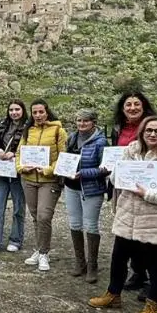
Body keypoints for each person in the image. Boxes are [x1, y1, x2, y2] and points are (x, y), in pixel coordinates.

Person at [89, 115, 157, 313]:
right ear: (142, 133)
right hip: (128, 217)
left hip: (156, 221)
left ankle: (153, 306)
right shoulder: (131, 152)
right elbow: (117, 179)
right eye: (148, 131)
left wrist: (150, 194)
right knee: (118, 258)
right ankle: (113, 295)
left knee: (156, 264)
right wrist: (119, 175)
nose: (152, 134)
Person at [111, 91, 157, 295]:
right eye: (128, 105)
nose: (132, 108)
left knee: (147, 236)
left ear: (144, 105)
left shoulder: (151, 127)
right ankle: (138, 273)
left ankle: (153, 284)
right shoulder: (119, 129)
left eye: (136, 104)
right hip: (125, 188)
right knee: (128, 234)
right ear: (122, 109)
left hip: (146, 187)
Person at [19, 100, 67, 272]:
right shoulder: (28, 130)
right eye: (35, 112)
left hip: (49, 181)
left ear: (47, 112)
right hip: (29, 180)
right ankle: (39, 250)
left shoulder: (58, 131)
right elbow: (19, 153)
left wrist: (49, 170)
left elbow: (63, 156)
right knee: (35, 217)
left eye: (41, 112)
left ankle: (44, 253)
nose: (38, 115)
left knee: (44, 217)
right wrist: (20, 167)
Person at [62, 108, 108, 282]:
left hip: (91, 189)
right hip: (71, 186)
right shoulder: (72, 138)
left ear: (93, 122)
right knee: (74, 223)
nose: (82, 124)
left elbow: (105, 168)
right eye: (79, 121)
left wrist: (83, 173)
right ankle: (80, 262)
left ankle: (93, 265)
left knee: (91, 225)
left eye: (86, 121)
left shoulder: (101, 142)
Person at [0, 101, 28, 255]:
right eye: (11, 110)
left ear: (23, 111)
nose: (14, 112)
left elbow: (31, 148)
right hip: (1, 171)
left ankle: (16, 239)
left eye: (17, 109)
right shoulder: (3, 126)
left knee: (18, 207)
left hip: (18, 172)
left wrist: (15, 154)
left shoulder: (29, 128)